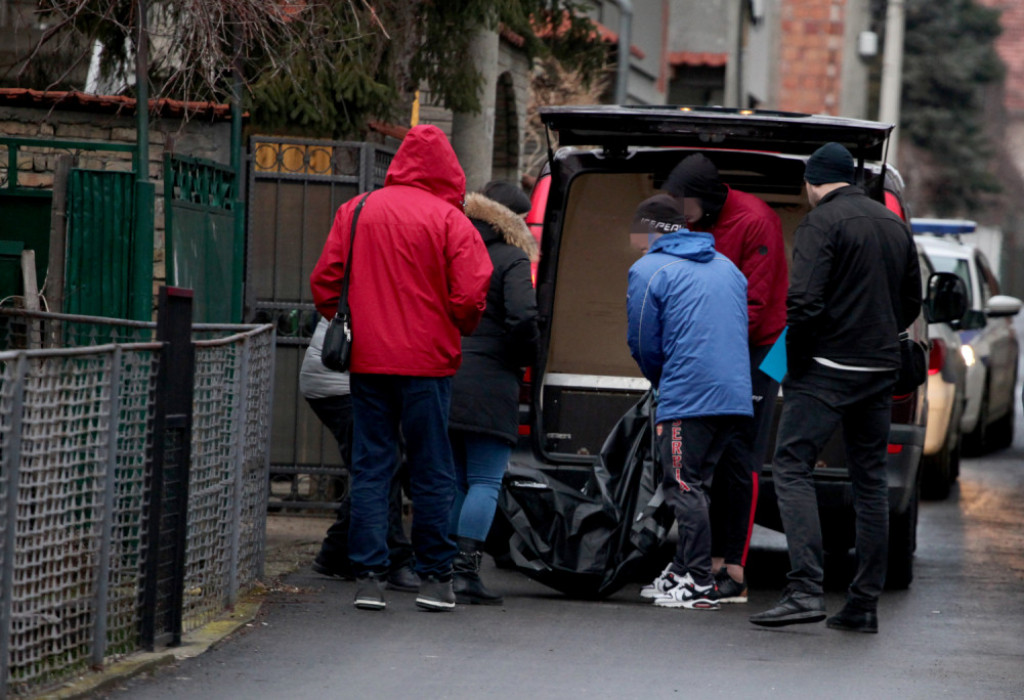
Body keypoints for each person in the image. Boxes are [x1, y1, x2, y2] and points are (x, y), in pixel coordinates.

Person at [310, 124, 493, 612]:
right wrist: (457, 324)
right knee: (433, 468)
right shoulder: (452, 221)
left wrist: (354, 323)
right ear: (448, 169)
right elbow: (472, 293)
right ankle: (435, 577)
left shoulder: (358, 209)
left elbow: (325, 282)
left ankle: (369, 575)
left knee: (372, 466)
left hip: (368, 361)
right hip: (429, 362)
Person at [749, 142, 921, 633]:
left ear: (813, 181)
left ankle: (804, 589)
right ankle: (863, 603)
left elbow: (802, 302)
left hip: (825, 368)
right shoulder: (892, 224)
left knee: (791, 465)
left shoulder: (820, 223)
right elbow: (911, 299)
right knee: (868, 481)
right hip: (879, 369)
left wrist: (794, 362)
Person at [648, 153, 788, 604]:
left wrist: (702, 343)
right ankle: (703, 564)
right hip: (719, 342)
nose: (679, 218)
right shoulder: (694, 220)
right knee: (704, 455)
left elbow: (758, 303)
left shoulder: (757, 220)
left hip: (767, 344)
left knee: (742, 455)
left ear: (705, 200)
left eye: (683, 208)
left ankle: (735, 568)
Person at [626, 194, 753, 611]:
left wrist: (661, 380)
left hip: (688, 395)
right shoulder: (728, 267)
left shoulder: (648, 269)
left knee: (682, 483)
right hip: (733, 397)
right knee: (698, 484)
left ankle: (698, 582)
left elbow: (643, 340)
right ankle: (682, 569)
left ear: (651, 230)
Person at [448, 181, 539, 605]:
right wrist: (524, 359)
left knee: (454, 479)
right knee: (485, 479)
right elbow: (523, 317)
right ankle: (466, 572)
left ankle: (444, 568)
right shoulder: (512, 257)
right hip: (492, 380)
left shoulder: (453, 249)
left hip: (445, 373)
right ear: (514, 220)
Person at [301, 315, 419, 593]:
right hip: (345, 377)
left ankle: (336, 552)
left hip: (334, 371)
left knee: (373, 467)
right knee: (382, 467)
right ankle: (395, 560)